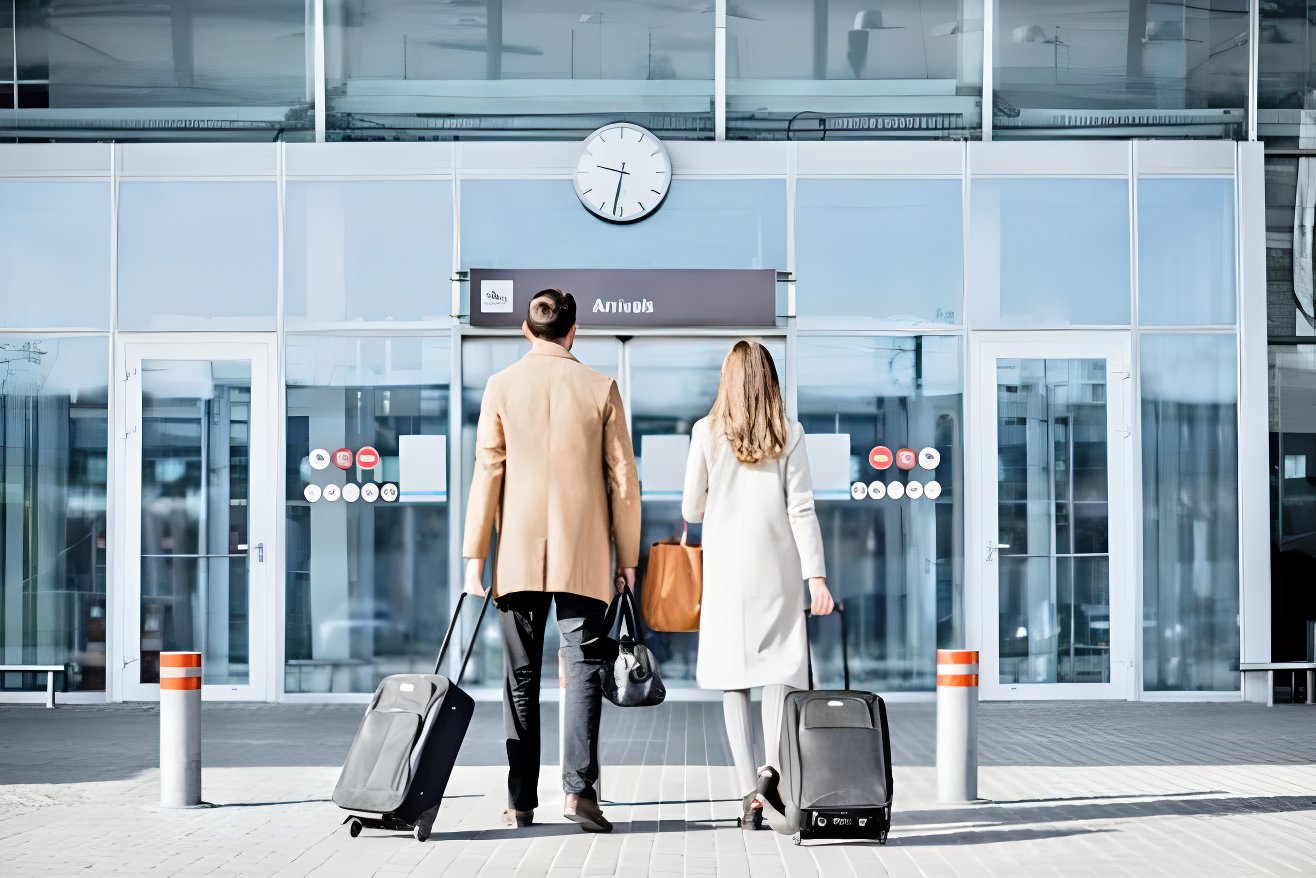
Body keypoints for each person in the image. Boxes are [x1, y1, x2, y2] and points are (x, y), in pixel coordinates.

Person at [462, 289, 641, 834]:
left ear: (525, 329)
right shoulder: (600, 387)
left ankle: (520, 802)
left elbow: (487, 474)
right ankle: (579, 794)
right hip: (583, 553)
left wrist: (474, 556)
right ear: (574, 330)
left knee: (519, 678)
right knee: (583, 670)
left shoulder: (501, 386)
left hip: (516, 555)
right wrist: (627, 556)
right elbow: (623, 481)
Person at [680, 339, 835, 830]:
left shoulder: (706, 432)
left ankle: (748, 797)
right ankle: (772, 774)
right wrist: (817, 577)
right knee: (780, 671)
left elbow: (690, 510)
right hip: (779, 569)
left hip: (726, 573)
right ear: (769, 380)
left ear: (727, 380)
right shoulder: (788, 432)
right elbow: (802, 508)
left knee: (734, 677)